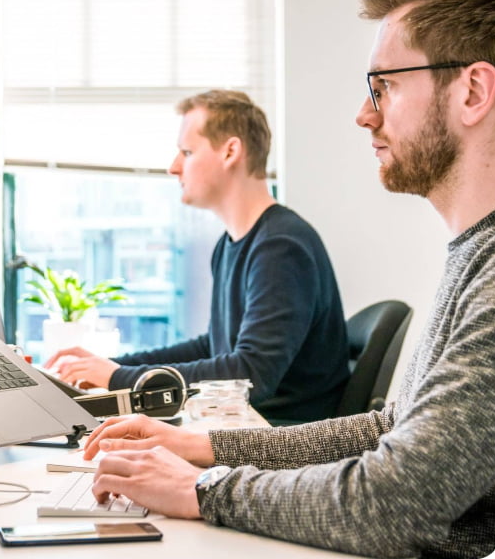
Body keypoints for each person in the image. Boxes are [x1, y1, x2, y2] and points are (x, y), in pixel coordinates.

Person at [79, 0, 495, 559]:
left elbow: (398, 499)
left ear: (472, 92)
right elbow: (391, 430)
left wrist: (203, 488)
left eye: (383, 87)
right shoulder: (474, 255)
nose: (363, 115)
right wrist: (204, 449)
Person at [45, 89, 350, 424]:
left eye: (187, 152)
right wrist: (115, 366)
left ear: (230, 151)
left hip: (279, 438)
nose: (173, 167)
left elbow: (251, 376)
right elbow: (214, 347)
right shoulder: (233, 244)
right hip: (245, 426)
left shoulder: (281, 247)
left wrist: (119, 378)